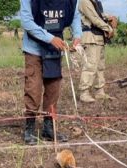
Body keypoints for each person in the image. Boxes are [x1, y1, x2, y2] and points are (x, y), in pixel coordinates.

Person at [20, 0, 82, 145]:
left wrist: (77, 35)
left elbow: (75, 16)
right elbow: (26, 22)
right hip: (33, 49)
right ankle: (29, 129)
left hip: (55, 49)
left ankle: (48, 129)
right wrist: (50, 38)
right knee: (33, 88)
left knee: (53, 89)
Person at [78, 0, 117, 102]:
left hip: (99, 37)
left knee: (100, 67)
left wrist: (110, 17)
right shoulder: (84, 1)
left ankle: (100, 91)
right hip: (90, 37)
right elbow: (94, 18)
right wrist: (109, 28)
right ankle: (84, 92)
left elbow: (99, 14)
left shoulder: (96, 1)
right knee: (90, 66)